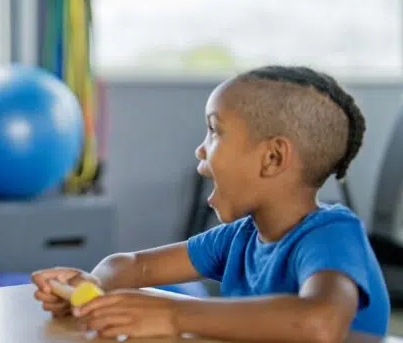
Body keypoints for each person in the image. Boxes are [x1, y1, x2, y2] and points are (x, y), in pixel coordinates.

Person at [31, 66, 390, 342]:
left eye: (214, 131)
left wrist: (173, 314)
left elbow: (319, 323)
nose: (200, 150)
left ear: (273, 158)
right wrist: (92, 287)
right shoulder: (239, 238)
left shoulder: (331, 235)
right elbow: (134, 265)